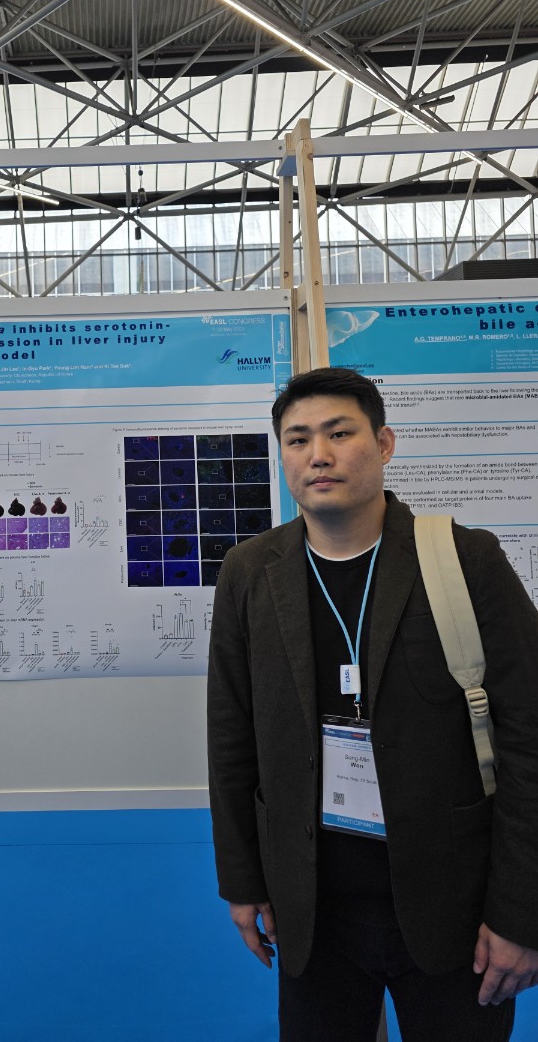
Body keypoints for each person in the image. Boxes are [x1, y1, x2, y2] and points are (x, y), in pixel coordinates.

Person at [207, 367, 538, 1041]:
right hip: (311, 910)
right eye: (298, 439)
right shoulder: (250, 571)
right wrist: (242, 881)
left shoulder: (464, 560)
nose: (318, 455)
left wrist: (522, 915)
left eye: (339, 433)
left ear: (384, 444)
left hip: (456, 908)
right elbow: (231, 735)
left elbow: (530, 737)